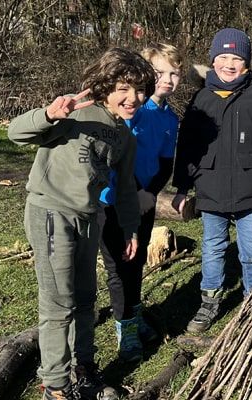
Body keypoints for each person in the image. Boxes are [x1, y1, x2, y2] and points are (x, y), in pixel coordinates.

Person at [8, 47, 155, 400]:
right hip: (51, 214)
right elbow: (17, 133)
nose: (133, 98)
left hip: (89, 219)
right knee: (59, 303)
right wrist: (49, 114)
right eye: (124, 88)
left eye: (139, 90)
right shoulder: (75, 114)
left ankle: (84, 370)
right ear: (105, 86)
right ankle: (56, 386)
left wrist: (132, 227)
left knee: (86, 298)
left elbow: (124, 189)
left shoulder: (125, 137)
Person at [172, 28, 252, 333]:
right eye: (223, 57)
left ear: (247, 63)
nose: (229, 63)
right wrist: (182, 187)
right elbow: (187, 146)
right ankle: (209, 301)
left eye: (236, 58)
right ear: (213, 61)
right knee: (213, 247)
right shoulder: (201, 99)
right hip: (211, 189)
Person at [97, 43, 181, 362]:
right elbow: (119, 159)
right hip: (113, 202)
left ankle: (133, 315)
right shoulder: (133, 108)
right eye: (159, 72)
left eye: (174, 73)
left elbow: (165, 163)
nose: (167, 79)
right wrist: (136, 194)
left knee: (136, 263)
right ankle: (125, 329)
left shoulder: (169, 118)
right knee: (119, 267)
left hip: (143, 202)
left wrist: (150, 193)